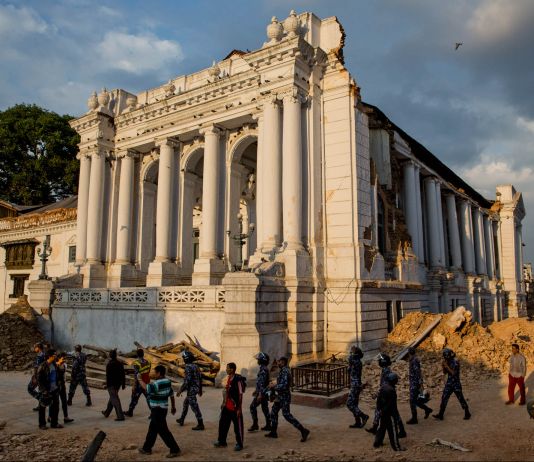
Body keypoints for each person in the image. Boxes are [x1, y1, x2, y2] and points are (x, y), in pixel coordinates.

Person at [138, 365, 180, 458]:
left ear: (159, 373)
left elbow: (146, 388)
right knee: (152, 429)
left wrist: (139, 379)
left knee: (163, 431)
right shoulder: (168, 382)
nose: (154, 374)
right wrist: (173, 407)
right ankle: (146, 448)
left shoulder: (157, 384)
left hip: (157, 410)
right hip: (162, 409)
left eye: (155, 372)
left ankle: (175, 449)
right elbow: (171, 394)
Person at [265, 357, 310, 442]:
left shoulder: (285, 371)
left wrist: (274, 386)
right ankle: (273, 432)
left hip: (284, 397)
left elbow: (284, 385)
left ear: (283, 362)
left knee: (287, 415)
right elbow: (280, 381)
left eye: (279, 362)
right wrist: (274, 382)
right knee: (273, 413)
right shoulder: (283, 370)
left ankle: (303, 430)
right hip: (280, 397)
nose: (277, 363)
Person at [366, 353, 405, 438]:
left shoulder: (386, 371)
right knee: (379, 411)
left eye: (380, 360)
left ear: (383, 362)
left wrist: (376, 394)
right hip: (386, 393)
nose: (379, 361)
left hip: (387, 394)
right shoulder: (385, 369)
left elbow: (384, 385)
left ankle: (401, 431)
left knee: (393, 412)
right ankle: (375, 427)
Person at [214, 363, 246, 451]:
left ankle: (240, 444)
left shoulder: (238, 380)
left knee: (237, 427)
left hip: (235, 408)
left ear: (232, 369)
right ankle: (222, 441)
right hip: (227, 406)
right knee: (223, 424)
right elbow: (227, 392)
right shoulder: (229, 378)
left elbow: (240, 395)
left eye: (227, 368)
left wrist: (239, 408)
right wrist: (223, 402)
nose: (226, 369)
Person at [433, 348, 471, 421]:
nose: (445, 357)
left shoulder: (455, 362)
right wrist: (443, 366)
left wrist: (446, 366)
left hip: (456, 384)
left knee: (461, 399)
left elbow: (453, 373)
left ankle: (467, 413)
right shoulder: (448, 362)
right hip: (449, 384)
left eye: (445, 356)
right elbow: (445, 373)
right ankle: (440, 415)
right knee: (444, 398)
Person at [373, 372, 404, 451]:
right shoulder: (391, 390)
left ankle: (377, 443)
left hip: (382, 411)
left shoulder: (383, 387)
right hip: (389, 412)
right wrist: (395, 415)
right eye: (396, 380)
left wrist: (380, 410)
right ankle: (396, 447)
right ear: (393, 381)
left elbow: (378, 400)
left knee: (382, 427)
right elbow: (392, 405)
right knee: (393, 430)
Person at [176, 350, 204, 430]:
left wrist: (180, 390)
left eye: (184, 358)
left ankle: (200, 423)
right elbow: (200, 378)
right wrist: (200, 390)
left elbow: (187, 381)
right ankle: (182, 419)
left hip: (192, 389)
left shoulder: (188, 367)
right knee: (186, 403)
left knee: (194, 406)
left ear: (186, 359)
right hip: (196, 388)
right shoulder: (195, 366)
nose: (183, 359)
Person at [406, 347, 432, 424]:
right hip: (414, 383)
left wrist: (420, 385)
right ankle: (427, 410)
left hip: (415, 384)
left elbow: (418, 373)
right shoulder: (413, 360)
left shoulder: (414, 361)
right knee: (416, 401)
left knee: (412, 401)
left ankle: (414, 418)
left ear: (409, 353)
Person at [37, 349, 62, 429]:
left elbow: (57, 376)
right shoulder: (43, 366)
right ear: (50, 356)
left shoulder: (54, 364)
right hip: (46, 390)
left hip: (54, 389)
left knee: (55, 407)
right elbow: (39, 380)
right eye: (54, 355)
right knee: (42, 407)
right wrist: (43, 390)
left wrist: (58, 385)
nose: (56, 357)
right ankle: (42, 424)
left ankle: (54, 423)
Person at [347, 345, 369, 428]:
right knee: (355, 404)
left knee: (349, 404)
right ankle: (358, 422)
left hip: (355, 385)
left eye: (353, 352)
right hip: (356, 384)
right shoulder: (356, 361)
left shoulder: (356, 361)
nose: (351, 353)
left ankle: (363, 416)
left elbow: (349, 359)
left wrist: (352, 351)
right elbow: (348, 370)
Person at [248, 352, 271, 432]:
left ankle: (255, 424)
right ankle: (268, 425)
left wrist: (260, 394)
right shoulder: (263, 368)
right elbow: (260, 382)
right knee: (265, 408)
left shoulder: (263, 369)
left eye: (258, 359)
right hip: (262, 392)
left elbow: (262, 383)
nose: (257, 360)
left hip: (262, 393)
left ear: (262, 360)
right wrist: (256, 390)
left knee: (252, 407)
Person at [125, 348, 152, 417]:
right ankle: (153, 413)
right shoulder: (148, 362)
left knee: (134, 398)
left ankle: (130, 412)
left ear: (137, 354)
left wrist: (134, 386)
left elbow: (136, 375)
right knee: (149, 398)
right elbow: (148, 372)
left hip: (139, 384)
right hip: (146, 382)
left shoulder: (136, 363)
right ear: (143, 354)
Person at [101, 349, 125, 421]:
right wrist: (123, 384)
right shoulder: (119, 363)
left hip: (111, 384)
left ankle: (120, 416)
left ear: (110, 356)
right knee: (113, 397)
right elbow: (123, 374)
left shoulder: (109, 364)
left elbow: (108, 376)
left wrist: (106, 385)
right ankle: (106, 412)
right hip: (118, 384)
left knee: (115, 399)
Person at [56, 352, 74, 424]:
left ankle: (66, 417)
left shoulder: (64, 365)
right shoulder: (55, 365)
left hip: (62, 385)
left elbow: (63, 373)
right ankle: (50, 417)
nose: (64, 360)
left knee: (64, 401)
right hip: (56, 385)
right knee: (55, 403)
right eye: (63, 358)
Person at [28, 343, 45, 411]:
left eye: (35, 347)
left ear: (39, 347)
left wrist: (35, 376)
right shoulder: (43, 354)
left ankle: (42, 401)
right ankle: (40, 405)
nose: (34, 348)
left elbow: (37, 367)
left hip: (38, 376)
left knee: (30, 388)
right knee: (40, 390)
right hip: (42, 376)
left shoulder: (40, 355)